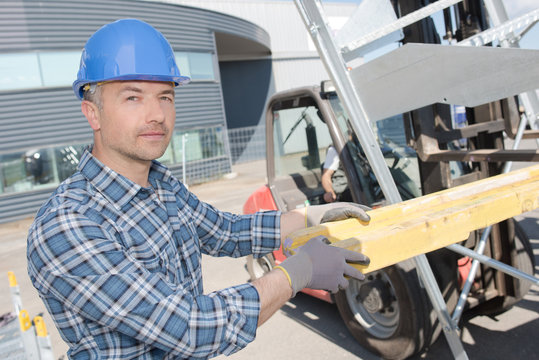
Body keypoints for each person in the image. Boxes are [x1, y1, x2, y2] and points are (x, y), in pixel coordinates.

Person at [27, 19, 370, 359]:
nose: (157, 114)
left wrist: (310, 216)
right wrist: (298, 272)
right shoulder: (66, 225)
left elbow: (226, 232)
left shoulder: (163, 186)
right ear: (93, 113)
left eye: (165, 96)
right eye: (133, 97)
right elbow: (192, 328)